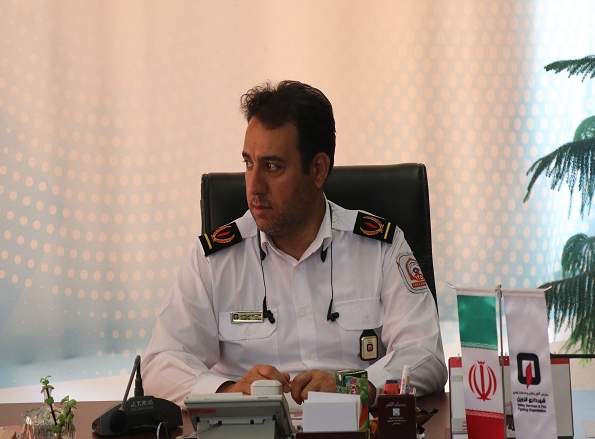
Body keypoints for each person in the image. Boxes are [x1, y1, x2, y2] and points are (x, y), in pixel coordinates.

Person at [142, 80, 447, 406]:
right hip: (252, 428)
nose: (254, 186)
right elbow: (160, 364)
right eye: (248, 163)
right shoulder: (214, 260)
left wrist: (353, 387)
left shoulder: (380, 248)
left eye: (272, 166)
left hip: (353, 427)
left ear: (317, 170)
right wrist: (231, 392)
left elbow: (425, 355)